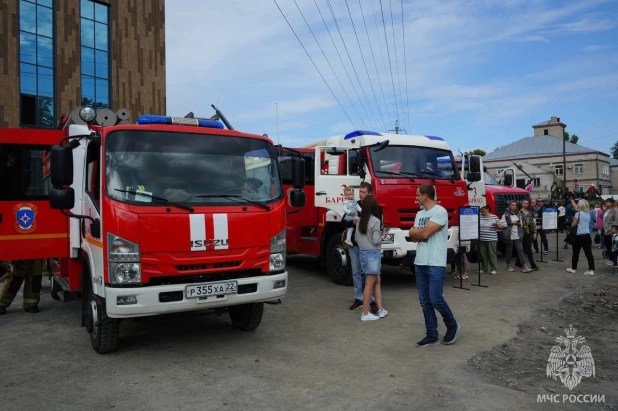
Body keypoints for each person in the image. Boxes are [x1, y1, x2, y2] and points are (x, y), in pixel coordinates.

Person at [409, 184, 460, 348]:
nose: (415, 198)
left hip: (435, 262)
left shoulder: (440, 211)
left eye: (417, 195)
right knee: (424, 301)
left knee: (435, 299)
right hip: (420, 262)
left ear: (425, 195)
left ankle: (452, 325)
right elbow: (415, 238)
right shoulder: (419, 214)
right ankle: (432, 335)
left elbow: (422, 234)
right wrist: (415, 233)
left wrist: (415, 232)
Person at [343, 182, 384, 314]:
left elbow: (379, 224)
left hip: (369, 246)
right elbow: (342, 222)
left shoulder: (375, 207)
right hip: (355, 245)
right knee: (356, 272)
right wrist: (351, 221)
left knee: (369, 274)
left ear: (370, 193)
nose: (360, 194)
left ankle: (371, 301)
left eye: (363, 192)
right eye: (359, 191)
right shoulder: (353, 204)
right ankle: (358, 298)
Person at [355, 196, 387, 321]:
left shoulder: (359, 221)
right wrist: (383, 236)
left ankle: (380, 309)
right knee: (370, 284)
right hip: (373, 254)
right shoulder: (375, 221)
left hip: (363, 253)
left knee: (376, 281)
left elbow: (357, 239)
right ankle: (365, 313)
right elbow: (376, 240)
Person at [500, 201, 532, 273]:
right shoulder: (506, 214)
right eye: (512, 205)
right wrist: (511, 223)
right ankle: (508, 265)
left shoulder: (518, 214)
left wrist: (518, 224)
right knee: (509, 252)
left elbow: (521, 223)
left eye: (515, 205)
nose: (514, 206)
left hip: (518, 235)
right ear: (509, 206)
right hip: (509, 235)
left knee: (520, 251)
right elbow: (502, 224)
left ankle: (523, 265)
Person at [566, 199, 595, 276]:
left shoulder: (578, 214)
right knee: (589, 253)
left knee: (575, 253)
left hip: (579, 235)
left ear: (580, 205)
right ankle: (591, 269)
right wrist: (572, 201)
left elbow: (573, 225)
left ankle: (573, 268)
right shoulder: (588, 213)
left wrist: (572, 222)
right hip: (587, 235)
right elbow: (577, 208)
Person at [478, 205, 500, 275]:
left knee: (491, 254)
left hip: (491, 239)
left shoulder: (494, 217)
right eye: (481, 210)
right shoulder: (479, 217)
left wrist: (496, 225)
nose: (481, 211)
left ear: (487, 209)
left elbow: (500, 228)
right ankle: (484, 268)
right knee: (483, 255)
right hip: (482, 239)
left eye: (483, 210)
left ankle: (494, 268)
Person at [519, 199, 539, 271]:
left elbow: (532, 223)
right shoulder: (519, 212)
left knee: (526, 248)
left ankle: (518, 263)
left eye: (526, 203)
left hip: (528, 232)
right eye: (524, 203)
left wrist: (534, 232)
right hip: (521, 232)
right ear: (521, 204)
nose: (525, 204)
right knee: (526, 248)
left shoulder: (530, 212)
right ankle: (532, 264)